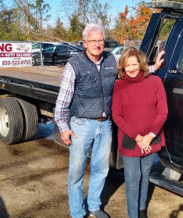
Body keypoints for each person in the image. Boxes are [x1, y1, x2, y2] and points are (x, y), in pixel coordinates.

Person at [54, 23, 165, 218]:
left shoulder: (110, 59)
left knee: (101, 168)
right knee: (76, 172)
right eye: (93, 41)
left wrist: (154, 67)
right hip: (81, 124)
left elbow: (131, 66)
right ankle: (78, 212)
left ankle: (95, 206)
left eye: (100, 40)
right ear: (84, 42)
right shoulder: (74, 65)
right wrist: (63, 127)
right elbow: (62, 100)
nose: (97, 44)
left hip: (105, 124)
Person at [112, 47, 168, 218]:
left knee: (145, 175)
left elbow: (163, 111)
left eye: (134, 64)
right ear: (122, 67)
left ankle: (142, 210)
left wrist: (150, 136)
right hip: (131, 139)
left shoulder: (155, 82)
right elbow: (117, 115)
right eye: (127, 65)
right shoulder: (119, 85)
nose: (131, 68)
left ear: (141, 63)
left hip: (151, 137)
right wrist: (138, 137)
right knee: (132, 179)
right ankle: (132, 215)